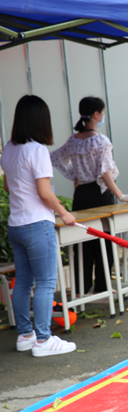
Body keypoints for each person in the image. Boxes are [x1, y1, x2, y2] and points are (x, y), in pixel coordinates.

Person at [1, 95, 78, 357]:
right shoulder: (37, 150)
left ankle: (25, 335)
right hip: (37, 224)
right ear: (40, 121)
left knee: (22, 281)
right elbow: (45, 193)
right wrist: (64, 213)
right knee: (45, 283)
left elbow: (7, 186)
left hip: (17, 225)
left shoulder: (9, 148)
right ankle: (44, 340)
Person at [51, 97, 128, 296]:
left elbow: (54, 158)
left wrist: (74, 174)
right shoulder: (101, 140)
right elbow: (105, 173)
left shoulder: (73, 140)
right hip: (100, 195)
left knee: (82, 241)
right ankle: (103, 286)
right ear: (96, 115)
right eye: (102, 112)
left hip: (80, 195)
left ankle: (82, 288)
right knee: (104, 239)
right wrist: (121, 195)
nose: (102, 116)